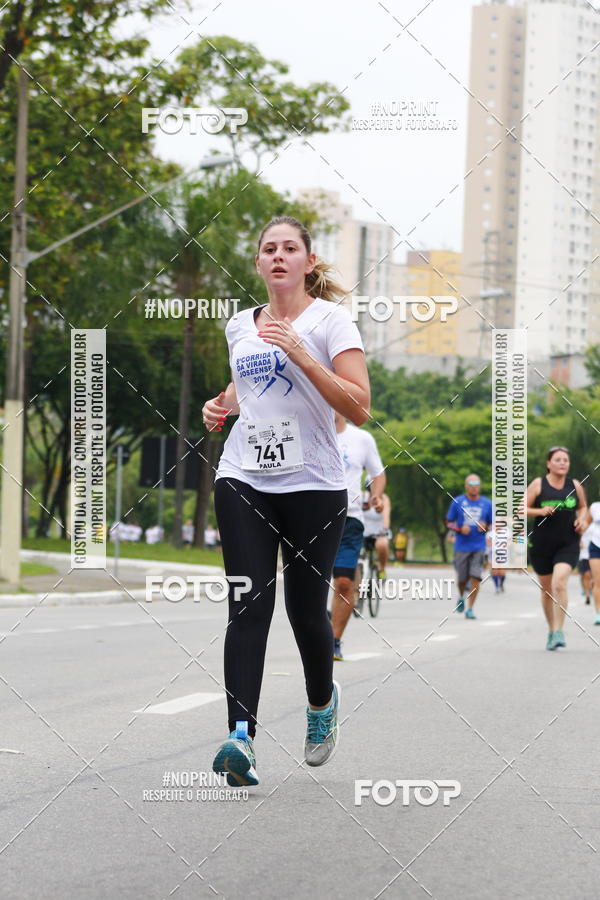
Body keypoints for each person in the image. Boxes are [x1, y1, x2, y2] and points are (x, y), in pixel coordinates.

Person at [202, 215, 370, 786]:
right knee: (248, 605)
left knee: (304, 612)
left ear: (309, 262)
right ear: (258, 263)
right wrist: (219, 404)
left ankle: (321, 703)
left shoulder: (332, 321)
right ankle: (239, 738)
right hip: (244, 477)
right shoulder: (238, 326)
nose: (278, 256)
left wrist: (301, 352)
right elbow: (246, 385)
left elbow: (358, 406)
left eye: (290, 248)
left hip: (316, 485)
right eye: (268, 249)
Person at [331, 413, 385, 661]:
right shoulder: (303, 429)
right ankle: (316, 634)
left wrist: (376, 494)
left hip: (350, 519)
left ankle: (334, 641)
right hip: (309, 519)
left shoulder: (361, 438)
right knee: (306, 586)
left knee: (344, 583)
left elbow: (377, 473)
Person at [526, 446, 589, 650]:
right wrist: (540, 510)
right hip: (542, 545)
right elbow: (521, 509)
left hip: (568, 543)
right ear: (548, 463)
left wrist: (581, 519)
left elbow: (582, 506)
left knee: (559, 583)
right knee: (546, 591)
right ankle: (552, 630)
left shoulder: (574, 485)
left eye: (566, 460)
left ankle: (560, 630)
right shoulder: (538, 484)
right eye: (558, 459)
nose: (563, 463)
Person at [446, 474, 493, 619]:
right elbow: (448, 522)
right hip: (461, 546)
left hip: (479, 546)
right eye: (471, 484)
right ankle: (461, 596)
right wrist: (460, 529)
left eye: (477, 484)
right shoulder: (458, 501)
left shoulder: (487, 503)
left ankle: (470, 608)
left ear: (480, 486)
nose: (474, 487)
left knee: (475, 577)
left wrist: (486, 526)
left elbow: (493, 524)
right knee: (462, 578)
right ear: (466, 486)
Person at [363, 490, 392, 578]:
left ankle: (382, 569)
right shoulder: (362, 496)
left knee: (383, 544)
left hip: (379, 533)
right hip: (362, 533)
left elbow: (386, 516)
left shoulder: (384, 498)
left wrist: (384, 530)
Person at [584, 495, 600, 626]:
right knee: (597, 580)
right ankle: (598, 613)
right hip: (596, 546)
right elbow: (584, 524)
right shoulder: (594, 507)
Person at [487, 523, 507, 594]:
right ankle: (496, 587)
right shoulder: (490, 533)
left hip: (503, 553)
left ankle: (501, 584)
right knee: (494, 571)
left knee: (502, 572)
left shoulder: (506, 533)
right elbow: (488, 543)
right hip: (493, 553)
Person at [578, 523, 593, 606]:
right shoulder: (581, 523)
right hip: (583, 555)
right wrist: (578, 541)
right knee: (585, 575)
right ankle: (587, 595)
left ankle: (590, 590)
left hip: (594, 554)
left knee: (591, 576)